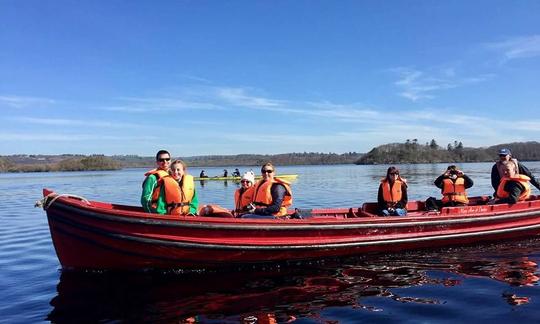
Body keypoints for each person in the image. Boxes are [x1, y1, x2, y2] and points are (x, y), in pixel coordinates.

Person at [141, 150, 171, 214]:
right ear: (157, 162)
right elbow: (145, 200)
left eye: (167, 159)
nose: (165, 162)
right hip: (158, 213)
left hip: (171, 212)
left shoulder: (174, 176)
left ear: (170, 160)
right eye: (161, 160)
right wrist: (152, 215)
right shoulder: (152, 178)